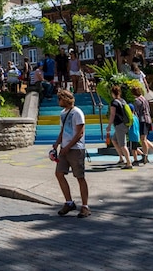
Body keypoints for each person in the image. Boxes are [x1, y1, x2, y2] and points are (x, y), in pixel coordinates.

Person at [51, 89, 90, 218]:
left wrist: (67, 147)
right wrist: (57, 143)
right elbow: (63, 131)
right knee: (59, 173)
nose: (58, 101)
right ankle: (69, 202)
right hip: (64, 148)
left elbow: (80, 133)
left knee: (79, 177)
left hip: (76, 149)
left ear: (65, 99)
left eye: (60, 99)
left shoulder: (77, 112)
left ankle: (85, 207)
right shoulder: (63, 113)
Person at [131, 85, 153, 164]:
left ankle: (145, 156)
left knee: (143, 139)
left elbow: (135, 112)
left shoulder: (137, 101)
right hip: (148, 119)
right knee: (144, 138)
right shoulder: (144, 99)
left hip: (142, 120)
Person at [105, 84, 133, 169]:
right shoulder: (122, 101)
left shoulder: (114, 102)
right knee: (114, 140)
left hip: (119, 125)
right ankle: (121, 158)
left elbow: (112, 114)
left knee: (123, 145)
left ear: (112, 93)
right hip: (125, 124)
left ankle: (129, 163)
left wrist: (109, 125)